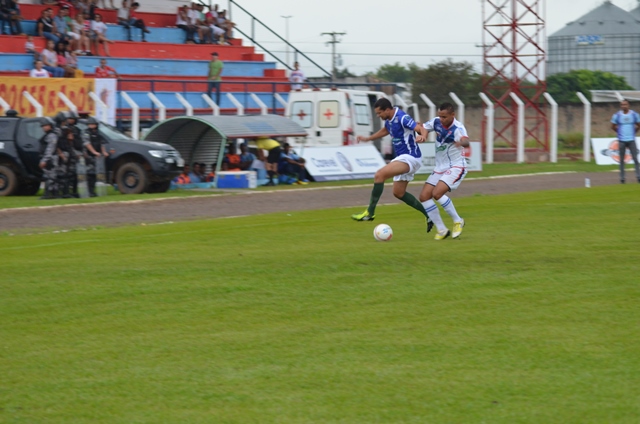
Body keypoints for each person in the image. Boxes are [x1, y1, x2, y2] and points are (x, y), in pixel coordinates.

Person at [351, 98, 432, 234]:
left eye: (379, 113)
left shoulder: (402, 117)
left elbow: (420, 128)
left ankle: (369, 213)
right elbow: (385, 130)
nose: (378, 116)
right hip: (403, 158)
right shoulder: (389, 120)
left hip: (410, 157)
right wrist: (368, 138)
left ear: (387, 110)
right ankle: (430, 216)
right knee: (398, 193)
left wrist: (423, 136)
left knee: (379, 175)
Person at [418, 102, 469, 240]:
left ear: (453, 115)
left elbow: (466, 141)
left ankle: (458, 220)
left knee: (437, 193)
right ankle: (441, 229)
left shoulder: (458, 128)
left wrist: (461, 142)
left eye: (444, 117)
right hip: (440, 167)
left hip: (456, 166)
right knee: (424, 196)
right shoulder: (436, 122)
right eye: (440, 116)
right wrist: (421, 133)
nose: (441, 119)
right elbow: (423, 128)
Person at [611, 99, 640, 184]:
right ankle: (622, 178)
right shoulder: (617, 115)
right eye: (622, 105)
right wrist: (619, 132)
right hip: (621, 140)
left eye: (625, 104)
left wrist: (634, 132)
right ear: (620, 106)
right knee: (622, 160)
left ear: (628, 105)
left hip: (631, 139)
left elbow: (638, 125)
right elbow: (613, 126)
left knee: (635, 158)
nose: (624, 106)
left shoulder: (634, 114)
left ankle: (638, 176)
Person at [82, 117, 109, 197]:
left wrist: (103, 152)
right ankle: (89, 192)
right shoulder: (86, 133)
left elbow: (102, 143)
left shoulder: (97, 133)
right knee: (89, 174)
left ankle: (92, 191)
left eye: (93, 124)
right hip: (88, 156)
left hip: (96, 157)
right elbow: (87, 144)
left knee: (94, 174)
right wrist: (94, 152)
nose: (92, 125)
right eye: (90, 124)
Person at [38, 117, 61, 199]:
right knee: (51, 177)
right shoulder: (48, 135)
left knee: (49, 177)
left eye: (46, 125)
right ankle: (54, 194)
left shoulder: (51, 135)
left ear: (51, 126)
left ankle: (48, 194)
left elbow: (50, 149)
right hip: (49, 158)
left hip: (50, 159)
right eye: (43, 126)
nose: (44, 127)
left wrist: (45, 160)